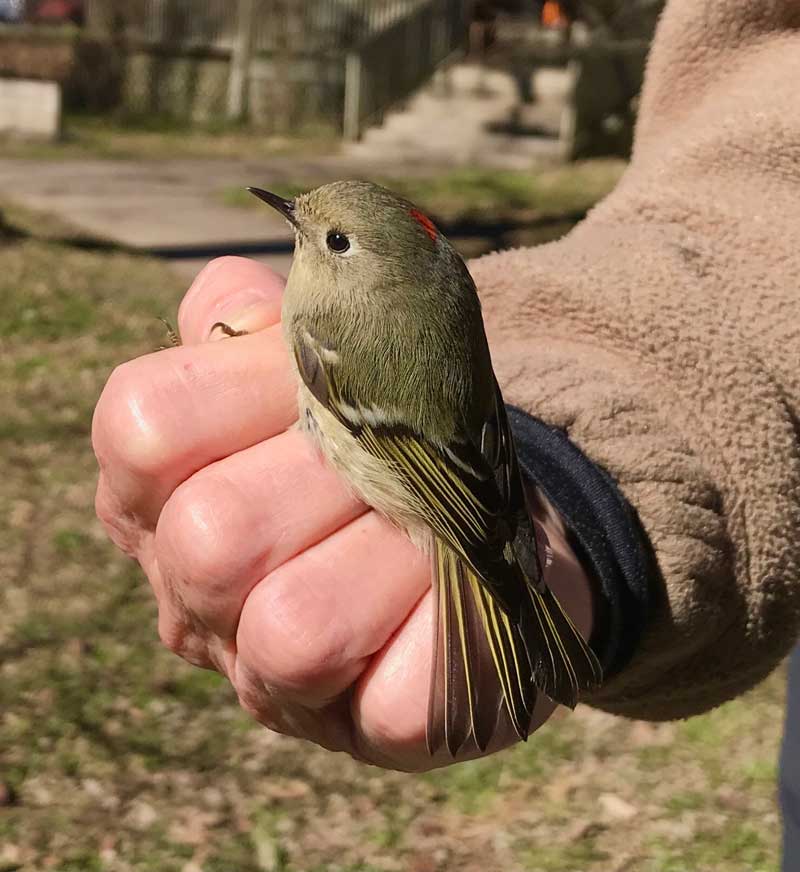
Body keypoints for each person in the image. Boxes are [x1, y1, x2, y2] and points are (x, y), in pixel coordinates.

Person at [92, 0, 799, 860]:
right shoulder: (429, 291)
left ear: (369, 260)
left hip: (442, 492)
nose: (304, 232)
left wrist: (492, 540)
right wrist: (578, 493)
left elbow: (397, 444)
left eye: (333, 238)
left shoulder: (336, 322)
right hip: (487, 480)